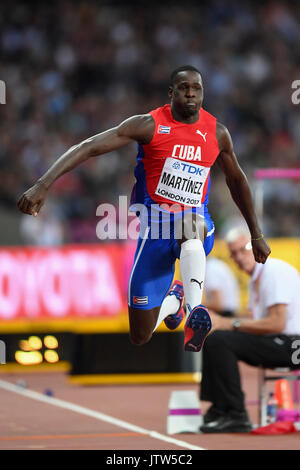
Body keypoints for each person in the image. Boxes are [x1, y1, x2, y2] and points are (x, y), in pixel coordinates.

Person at [17, 65, 271, 352]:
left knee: (191, 223)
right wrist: (43, 183)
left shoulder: (217, 133)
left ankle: (194, 312)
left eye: (196, 88)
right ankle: (176, 302)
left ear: (202, 93)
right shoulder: (148, 125)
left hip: (196, 224)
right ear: (171, 92)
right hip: (154, 232)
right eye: (184, 88)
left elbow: (237, 181)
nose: (190, 93)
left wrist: (256, 234)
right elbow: (89, 147)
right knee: (141, 334)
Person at [200, 227, 300, 433]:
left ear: (254, 246)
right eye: (233, 253)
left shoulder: (273, 272)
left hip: (294, 346)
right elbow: (260, 322)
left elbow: (276, 323)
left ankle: (235, 413)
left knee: (220, 340)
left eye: (242, 250)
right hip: (283, 341)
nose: (238, 257)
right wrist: (219, 321)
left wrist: (230, 323)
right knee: (213, 337)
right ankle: (220, 408)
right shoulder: (257, 278)